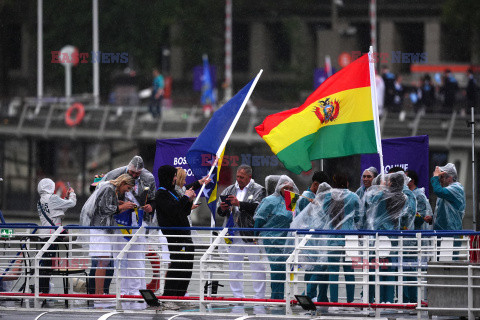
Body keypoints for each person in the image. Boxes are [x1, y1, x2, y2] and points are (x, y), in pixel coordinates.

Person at [80, 174, 137, 308]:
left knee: (103, 261)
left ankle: (99, 295)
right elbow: (103, 209)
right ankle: (99, 295)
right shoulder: (109, 188)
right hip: (100, 229)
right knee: (102, 261)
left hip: (102, 229)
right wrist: (122, 207)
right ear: (122, 183)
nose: (127, 191)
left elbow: (105, 205)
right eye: (127, 188)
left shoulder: (110, 188)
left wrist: (118, 204)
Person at [217, 165, 266, 299]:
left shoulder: (259, 189)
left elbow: (259, 208)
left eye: (242, 177)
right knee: (234, 267)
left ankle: (259, 297)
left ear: (249, 177)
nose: (238, 179)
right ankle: (237, 296)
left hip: (251, 233)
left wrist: (239, 204)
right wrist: (222, 208)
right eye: (237, 176)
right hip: (233, 233)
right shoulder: (230, 189)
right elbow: (220, 212)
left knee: (257, 267)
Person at [364, 172, 407, 303]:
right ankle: (388, 299)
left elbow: (370, 201)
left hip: (380, 236)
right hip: (393, 236)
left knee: (377, 268)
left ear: (392, 182)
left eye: (388, 181)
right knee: (389, 269)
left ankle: (379, 299)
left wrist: (381, 188)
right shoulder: (403, 197)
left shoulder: (383, 195)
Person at [155, 165, 196, 304]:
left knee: (187, 266)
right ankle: (169, 297)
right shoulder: (161, 194)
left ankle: (180, 295)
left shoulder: (172, 192)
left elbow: (183, 212)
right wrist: (185, 198)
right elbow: (173, 212)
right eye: (172, 176)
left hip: (184, 235)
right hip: (175, 236)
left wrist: (188, 201)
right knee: (177, 266)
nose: (174, 179)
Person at [254, 175, 298, 300]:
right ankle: (276, 298)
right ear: (280, 188)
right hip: (271, 239)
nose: (288, 190)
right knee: (276, 268)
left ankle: (280, 297)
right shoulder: (270, 200)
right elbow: (259, 218)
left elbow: (295, 218)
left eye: (291, 188)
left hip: (286, 240)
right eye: (286, 188)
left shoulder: (292, 199)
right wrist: (255, 235)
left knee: (283, 270)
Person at [323, 173, 360, 306]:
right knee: (349, 272)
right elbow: (359, 216)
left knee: (333, 272)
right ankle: (350, 302)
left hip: (333, 236)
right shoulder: (353, 196)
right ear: (347, 183)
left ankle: (334, 302)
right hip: (350, 236)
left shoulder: (329, 196)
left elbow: (324, 213)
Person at [37, 178, 76, 294]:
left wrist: (65, 198)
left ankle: (42, 291)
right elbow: (72, 204)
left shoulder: (40, 200)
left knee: (44, 265)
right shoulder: (52, 198)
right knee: (48, 266)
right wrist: (72, 194)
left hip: (43, 236)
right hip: (52, 236)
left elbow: (56, 208)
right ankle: (44, 292)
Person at [87, 174, 114, 295]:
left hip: (104, 234)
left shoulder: (96, 201)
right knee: (100, 264)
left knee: (102, 264)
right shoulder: (96, 203)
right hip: (100, 234)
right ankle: (96, 293)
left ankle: (99, 292)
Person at [429, 163, 465, 230]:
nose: (440, 180)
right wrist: (432, 218)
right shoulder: (446, 190)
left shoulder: (456, 189)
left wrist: (435, 177)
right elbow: (442, 212)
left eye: (442, 177)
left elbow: (438, 191)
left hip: (451, 232)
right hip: (441, 231)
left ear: (449, 178)